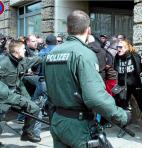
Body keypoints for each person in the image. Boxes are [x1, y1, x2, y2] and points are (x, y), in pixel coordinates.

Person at [43, 10, 130, 148]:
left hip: (57, 119)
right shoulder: (84, 53)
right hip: (79, 125)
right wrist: (120, 115)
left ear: (68, 28)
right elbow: (95, 97)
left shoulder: (51, 53)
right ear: (88, 29)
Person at [0, 40, 42, 143]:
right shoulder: (2, 63)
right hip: (2, 95)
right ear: (17, 50)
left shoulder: (23, 60)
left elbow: (38, 59)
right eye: (23, 49)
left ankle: (27, 133)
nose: (25, 50)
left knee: (33, 108)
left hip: (17, 92)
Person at [114, 40, 142, 138]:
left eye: (121, 47)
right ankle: (123, 127)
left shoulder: (134, 56)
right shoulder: (117, 57)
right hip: (123, 87)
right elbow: (116, 69)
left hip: (136, 85)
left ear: (127, 47)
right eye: (117, 47)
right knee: (123, 107)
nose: (118, 49)